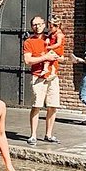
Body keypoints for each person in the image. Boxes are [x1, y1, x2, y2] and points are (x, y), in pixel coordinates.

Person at [23, 16, 61, 145]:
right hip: (38, 77)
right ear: (31, 27)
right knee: (37, 105)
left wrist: (57, 57)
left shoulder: (51, 38)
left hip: (53, 76)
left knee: (53, 105)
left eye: (39, 24)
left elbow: (60, 55)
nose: (37, 26)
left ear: (44, 25)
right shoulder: (29, 42)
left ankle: (48, 134)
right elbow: (28, 60)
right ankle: (33, 135)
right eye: (34, 24)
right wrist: (45, 57)